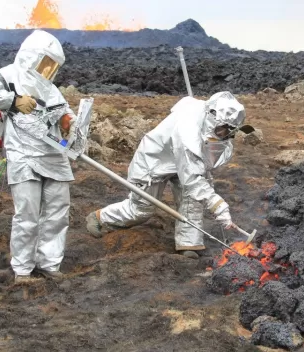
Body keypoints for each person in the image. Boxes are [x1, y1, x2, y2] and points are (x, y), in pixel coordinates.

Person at [86, 91, 246, 259]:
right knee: (140, 210)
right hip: (153, 162)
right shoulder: (187, 131)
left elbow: (200, 163)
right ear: (213, 119)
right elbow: (192, 179)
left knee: (191, 201)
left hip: (180, 163)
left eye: (228, 132)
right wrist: (219, 206)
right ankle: (100, 218)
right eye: (221, 131)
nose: (224, 136)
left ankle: (189, 244)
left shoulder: (207, 114)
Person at [0, 29, 77, 283]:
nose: (48, 69)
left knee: (57, 211)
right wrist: (13, 100)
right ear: (33, 56)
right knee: (27, 213)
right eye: (45, 62)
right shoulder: (9, 75)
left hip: (53, 154)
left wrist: (68, 122)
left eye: (52, 65)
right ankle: (22, 269)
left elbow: (63, 111)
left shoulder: (50, 89)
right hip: (23, 155)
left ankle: (50, 264)